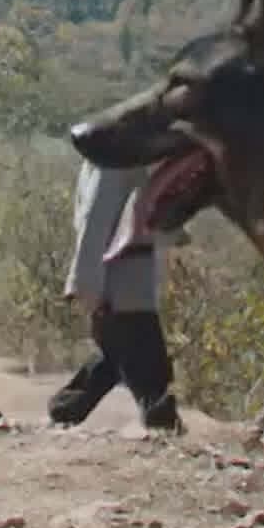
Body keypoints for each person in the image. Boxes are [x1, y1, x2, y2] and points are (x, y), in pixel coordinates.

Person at [52, 156, 180, 432]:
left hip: (128, 281)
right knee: (148, 363)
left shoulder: (124, 160)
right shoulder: (112, 162)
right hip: (119, 283)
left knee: (115, 356)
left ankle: (64, 410)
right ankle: (163, 425)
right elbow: (94, 221)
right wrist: (85, 282)